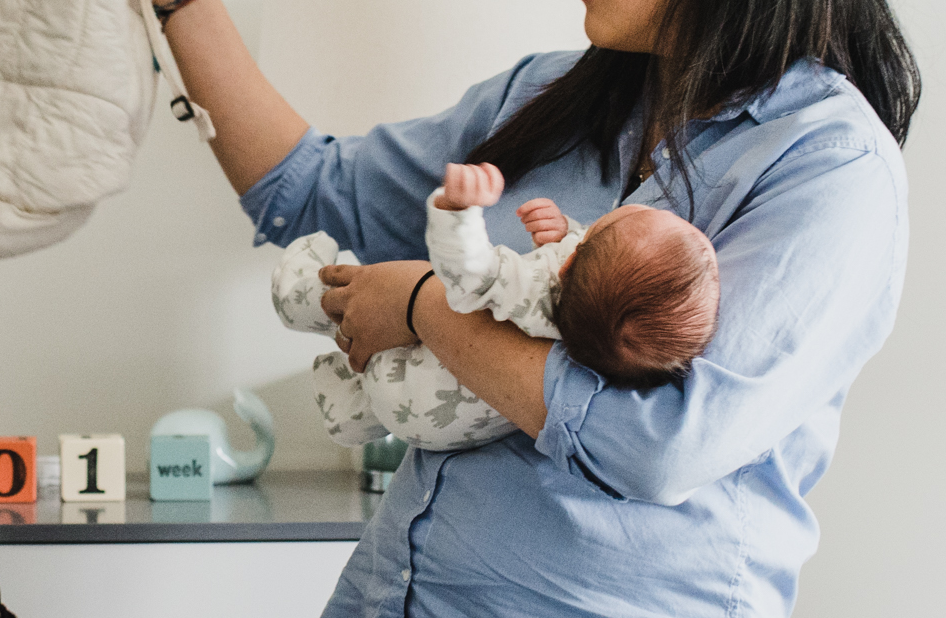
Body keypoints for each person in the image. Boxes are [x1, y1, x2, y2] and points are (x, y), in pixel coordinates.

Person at [126, 0, 915, 618]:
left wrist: (422, 304)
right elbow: (309, 190)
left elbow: (659, 443)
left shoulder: (826, 162)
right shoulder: (549, 97)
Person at [274, 160, 720, 451]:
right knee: (374, 400)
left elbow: (471, 274)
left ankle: (295, 292)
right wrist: (565, 232)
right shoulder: (599, 342)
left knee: (346, 298)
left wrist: (457, 212)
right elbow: (600, 273)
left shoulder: (536, 285)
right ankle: (348, 410)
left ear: (565, 268)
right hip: (430, 425)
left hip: (407, 366)